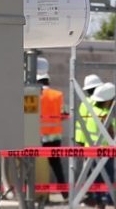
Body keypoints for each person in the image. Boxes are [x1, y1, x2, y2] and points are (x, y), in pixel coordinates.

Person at [37, 58, 68, 199]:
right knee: (56, 165)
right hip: (54, 137)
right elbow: (65, 114)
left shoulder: (33, 95)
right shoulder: (58, 95)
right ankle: (64, 192)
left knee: (33, 166)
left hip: (37, 137)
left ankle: (36, 192)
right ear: (48, 81)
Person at [84, 82, 116, 209]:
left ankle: (99, 202)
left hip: (92, 151)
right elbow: (111, 132)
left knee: (96, 178)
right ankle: (107, 200)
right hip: (105, 152)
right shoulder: (105, 114)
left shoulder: (92, 110)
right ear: (108, 100)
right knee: (108, 177)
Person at [75, 74, 103, 146]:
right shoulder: (103, 102)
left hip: (89, 148)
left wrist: (80, 142)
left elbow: (80, 125)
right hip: (105, 147)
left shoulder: (84, 103)